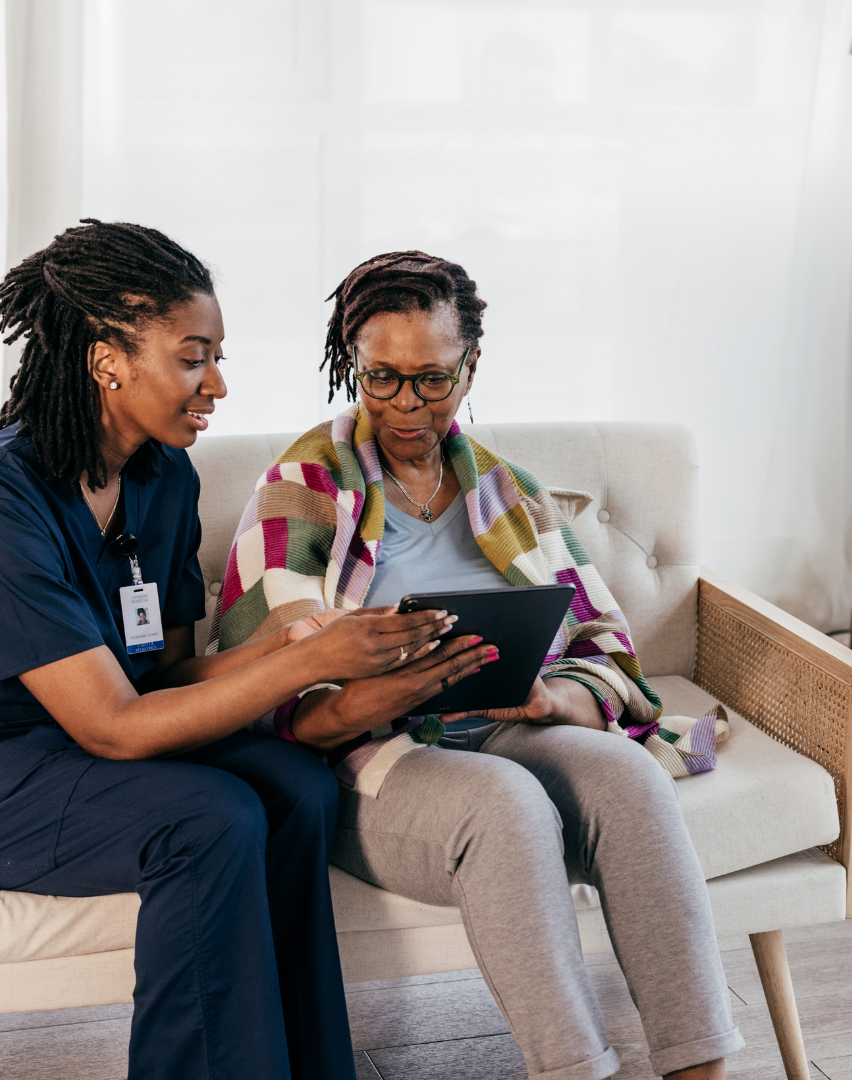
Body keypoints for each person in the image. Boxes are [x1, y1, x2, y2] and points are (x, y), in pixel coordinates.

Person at [213, 251, 745, 1080]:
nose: (406, 405)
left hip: (503, 728)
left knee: (627, 780)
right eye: (381, 378)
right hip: (373, 760)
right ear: (351, 362)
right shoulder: (304, 486)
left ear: (471, 366)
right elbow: (276, 693)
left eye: (432, 379)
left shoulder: (506, 490)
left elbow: (610, 652)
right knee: (505, 807)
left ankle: (700, 1068)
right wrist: (380, 688)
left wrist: (553, 699)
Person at [0, 224, 495, 1080]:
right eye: (195, 358)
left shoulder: (163, 476)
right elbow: (116, 727)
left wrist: (301, 643)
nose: (217, 385)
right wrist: (300, 666)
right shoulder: (10, 496)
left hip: (96, 738)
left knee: (298, 786)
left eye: (216, 357)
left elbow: (165, 677)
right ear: (106, 357)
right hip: (18, 765)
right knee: (207, 817)